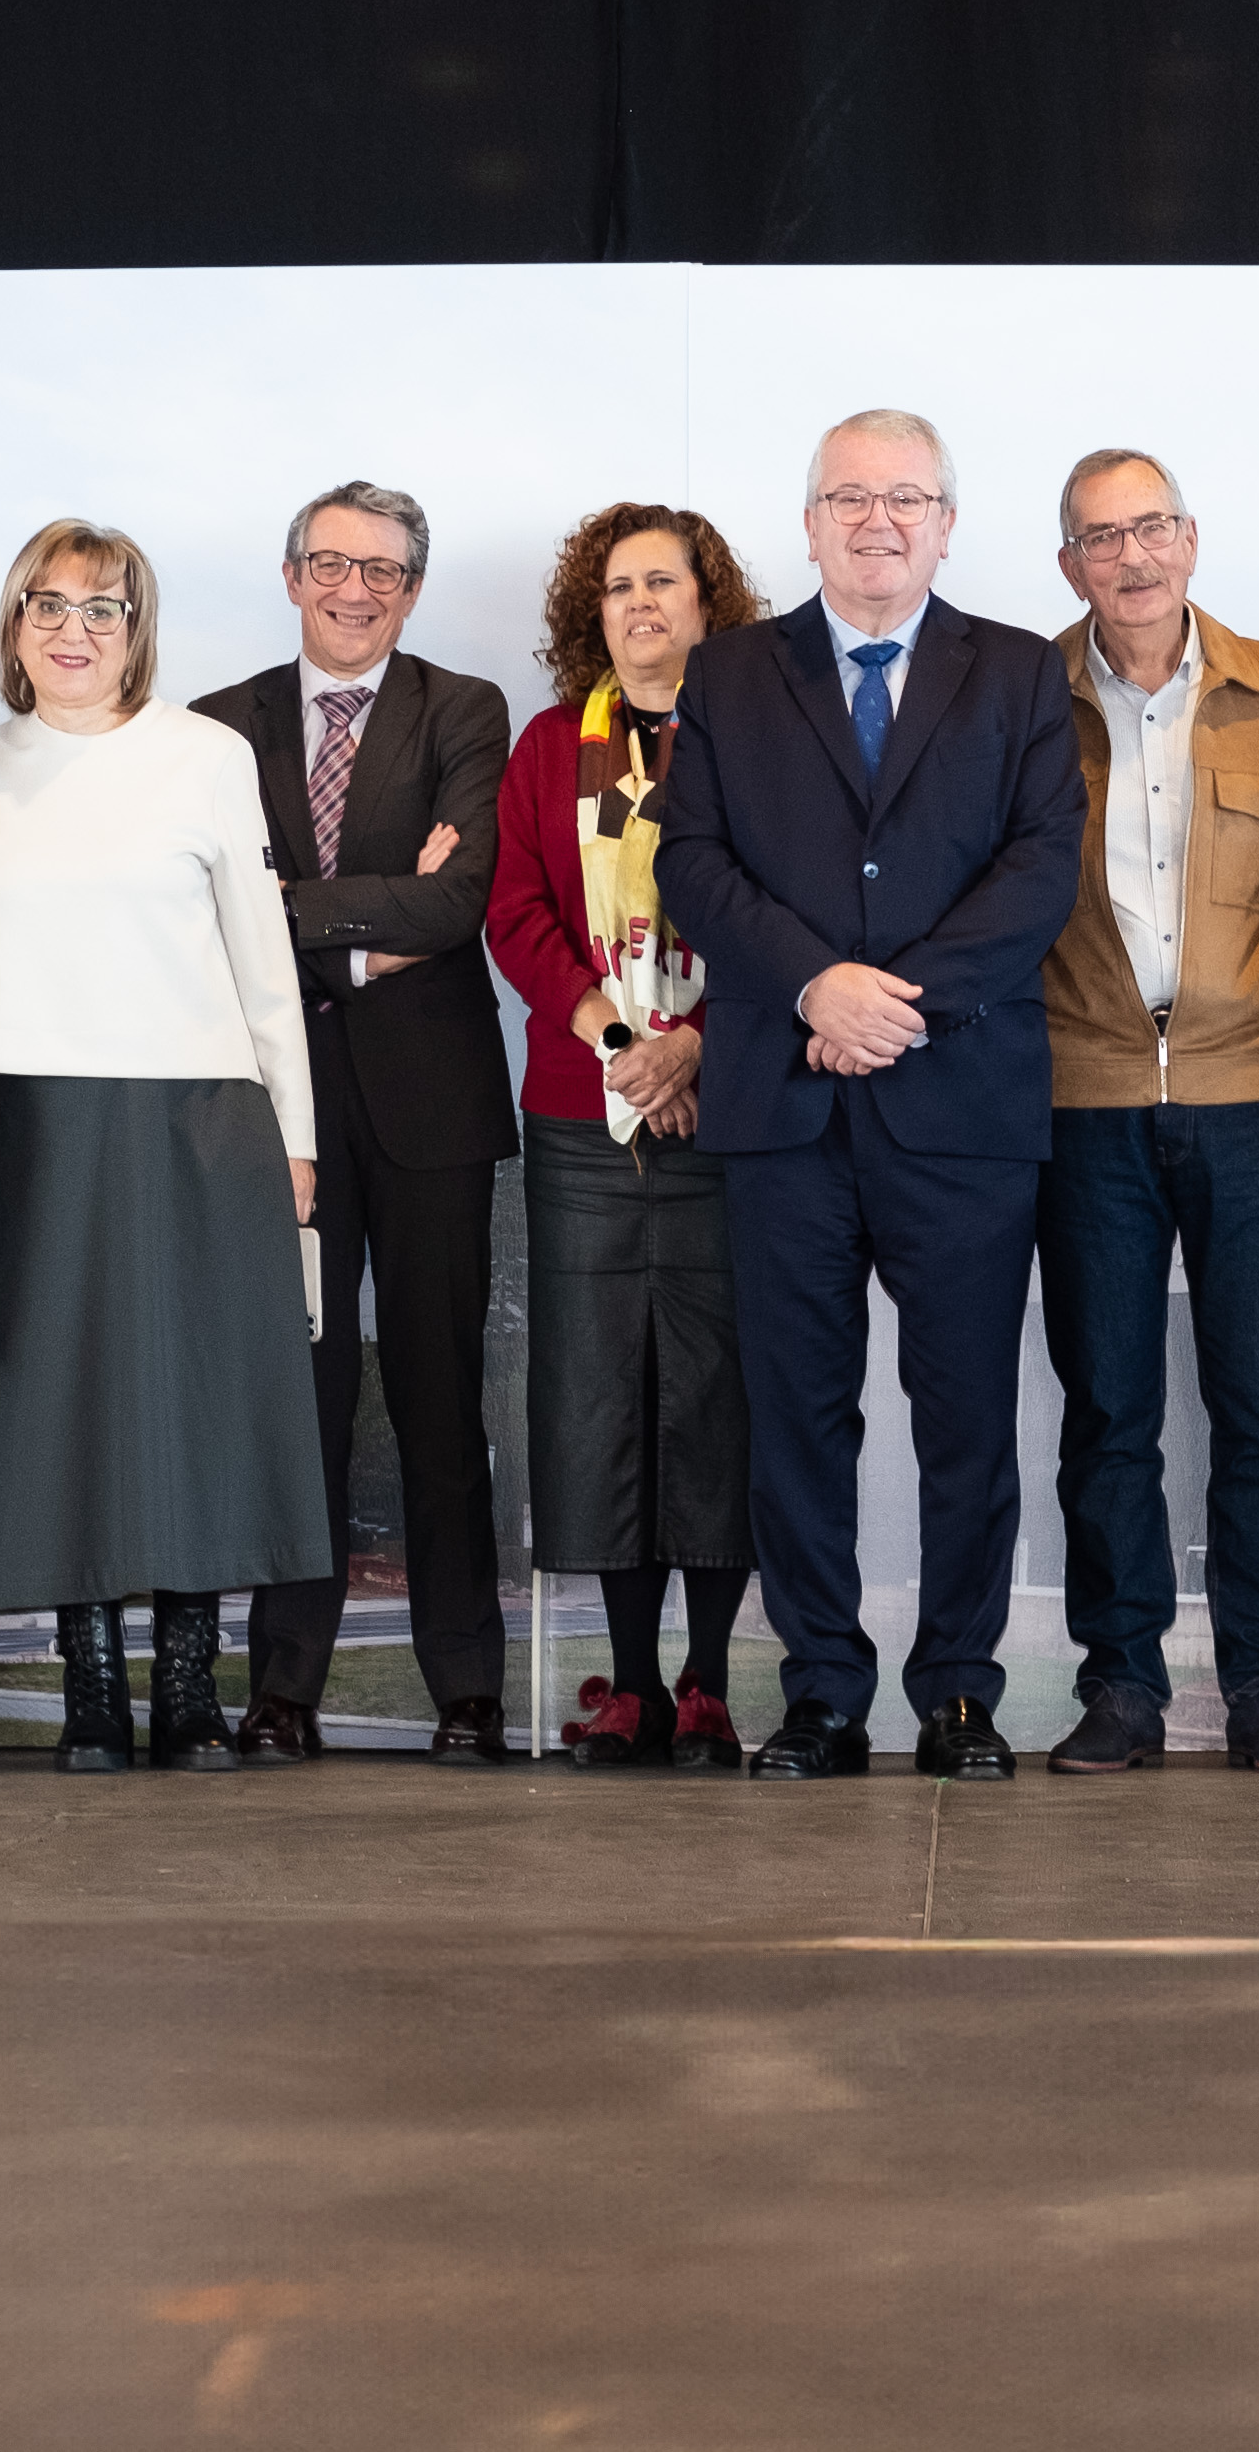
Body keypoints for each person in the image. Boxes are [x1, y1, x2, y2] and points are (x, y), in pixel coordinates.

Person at [649, 411, 1086, 1781]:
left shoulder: (1016, 670)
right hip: (782, 1107)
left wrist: (891, 1004)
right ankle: (822, 1692)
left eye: (905, 497)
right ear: (809, 522)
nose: (877, 519)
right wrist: (809, 987)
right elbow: (690, 860)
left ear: (945, 523)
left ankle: (958, 1691)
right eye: (849, 496)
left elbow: (1039, 867)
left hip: (960, 1103)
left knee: (965, 1418)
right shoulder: (729, 671)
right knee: (795, 1414)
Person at [0, 522, 331, 1771]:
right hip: (25, 1129)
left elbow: (263, 956)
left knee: (197, 1402)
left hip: (196, 1120)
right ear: (13, 625)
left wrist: (294, 1134)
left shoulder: (207, 756)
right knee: (56, 1408)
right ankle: (92, 1689)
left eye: (102, 608)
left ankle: (190, 1690)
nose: (73, 630)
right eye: (47, 605)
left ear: (136, 630)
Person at [197, 482, 519, 1767]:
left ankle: (467, 1688)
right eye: (330, 563)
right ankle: (283, 1687)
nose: (354, 589)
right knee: (302, 1404)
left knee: (441, 1406)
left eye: (382, 570)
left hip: (434, 1108)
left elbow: (458, 902)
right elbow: (210, 912)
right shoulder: (218, 727)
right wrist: (371, 924)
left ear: (413, 589)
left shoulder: (465, 710)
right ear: (291, 577)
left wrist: (292, 909)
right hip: (281, 1120)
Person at [1035, 449, 1259, 1777]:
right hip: (1084, 1098)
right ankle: (1120, 1686)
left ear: (1191, 537)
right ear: (1069, 564)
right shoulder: (1022, 698)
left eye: (1152, 525)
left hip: (1254, 1096)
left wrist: (1252, 1006)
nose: (1133, 555)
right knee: (1106, 1411)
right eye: (1102, 537)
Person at [485, 500, 768, 1768]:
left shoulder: (759, 741)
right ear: (588, 613)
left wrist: (694, 1046)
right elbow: (515, 914)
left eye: (664, 582)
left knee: (714, 1394)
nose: (641, 604)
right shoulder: (551, 745)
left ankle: (706, 1680)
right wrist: (620, 1043)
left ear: (708, 604)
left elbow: (783, 909)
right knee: (597, 1395)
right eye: (618, 587)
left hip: (724, 1104)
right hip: (581, 1108)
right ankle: (634, 1684)